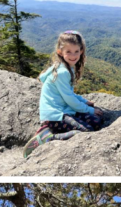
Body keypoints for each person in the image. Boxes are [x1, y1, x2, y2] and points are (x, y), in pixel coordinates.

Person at [22, 30, 104, 159]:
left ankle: (55, 130)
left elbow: (68, 93)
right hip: (55, 115)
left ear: (81, 50)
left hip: (63, 110)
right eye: (69, 52)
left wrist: (83, 101)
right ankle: (49, 137)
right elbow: (69, 99)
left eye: (76, 51)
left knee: (97, 121)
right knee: (87, 131)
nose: (73, 55)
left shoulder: (64, 67)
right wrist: (88, 109)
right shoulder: (62, 72)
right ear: (60, 52)